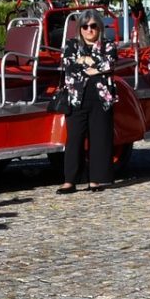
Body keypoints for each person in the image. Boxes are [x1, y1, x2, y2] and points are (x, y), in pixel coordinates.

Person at [57, 12, 117, 194]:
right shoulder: (71, 45)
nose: (89, 30)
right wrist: (91, 64)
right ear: (80, 29)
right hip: (76, 97)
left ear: (99, 27)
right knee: (74, 139)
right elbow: (68, 64)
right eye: (85, 26)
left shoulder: (108, 45)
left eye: (93, 26)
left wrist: (84, 61)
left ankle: (95, 180)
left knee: (99, 138)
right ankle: (70, 180)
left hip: (101, 97)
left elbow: (109, 64)